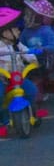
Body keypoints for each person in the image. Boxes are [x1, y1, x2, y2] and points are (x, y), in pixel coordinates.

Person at [0, 7, 43, 137]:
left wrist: (33, 57)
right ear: (5, 32)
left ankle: (33, 113)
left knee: (31, 90)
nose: (18, 31)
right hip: (2, 78)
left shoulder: (17, 45)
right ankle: (3, 120)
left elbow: (28, 53)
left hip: (17, 77)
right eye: (15, 29)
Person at [19, 0, 54, 96]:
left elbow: (53, 47)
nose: (27, 17)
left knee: (37, 72)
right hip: (29, 58)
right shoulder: (26, 31)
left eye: (31, 15)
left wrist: (42, 49)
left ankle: (38, 92)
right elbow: (20, 44)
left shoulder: (46, 31)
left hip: (45, 59)